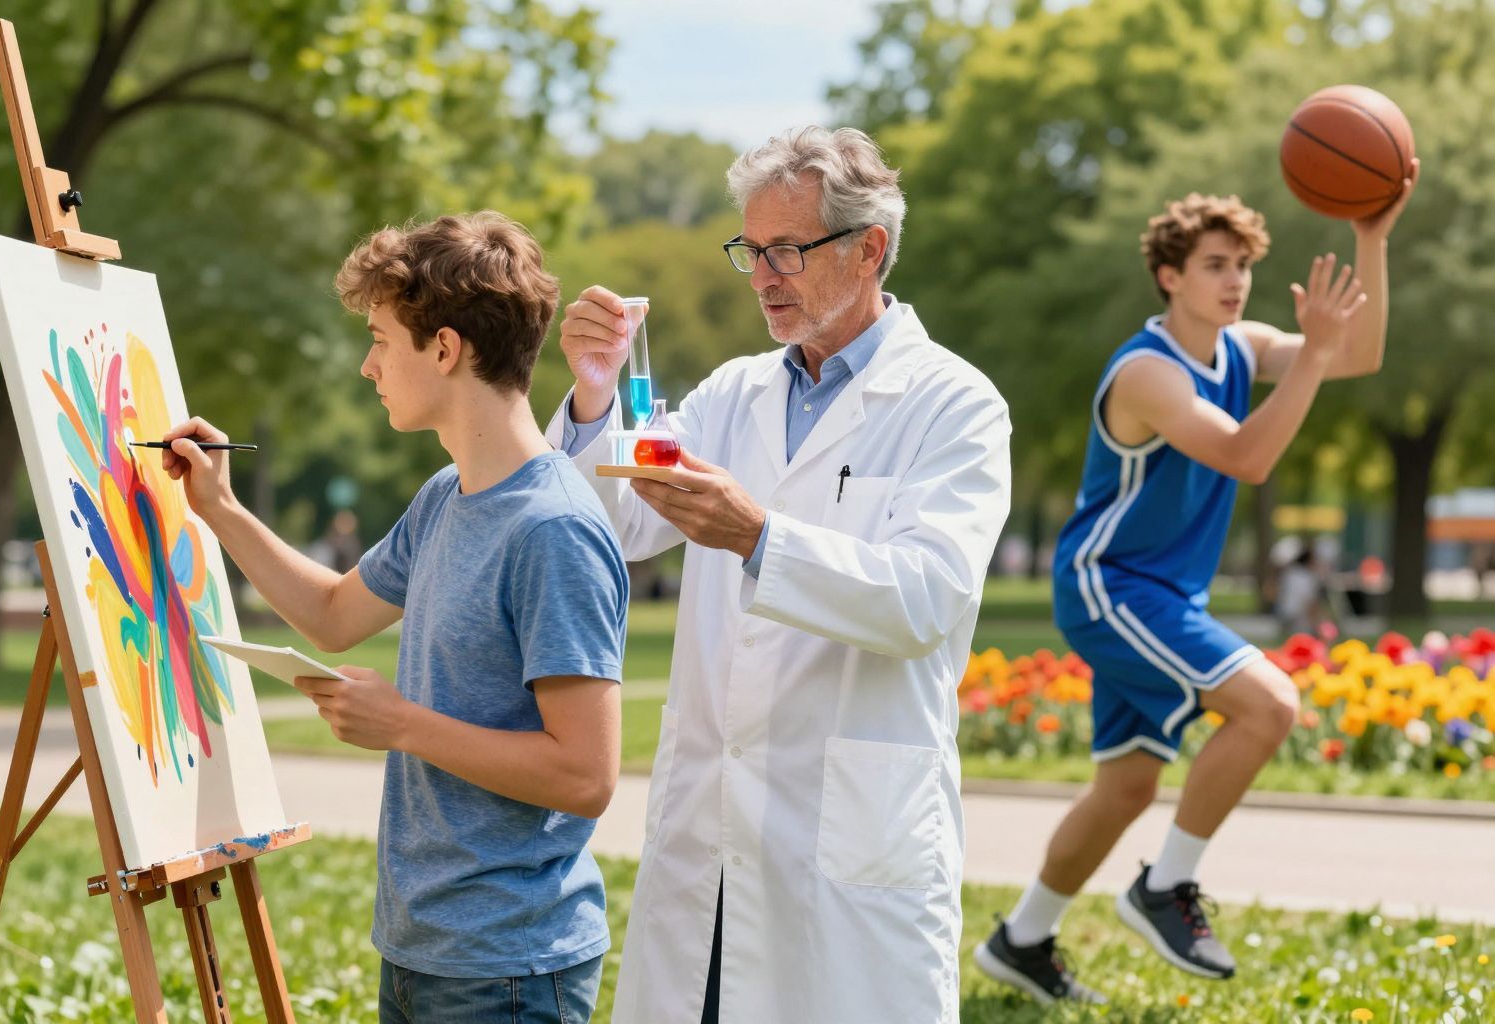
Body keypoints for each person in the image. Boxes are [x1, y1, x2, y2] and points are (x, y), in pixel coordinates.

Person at [549, 126, 1012, 1024]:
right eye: (752, 251)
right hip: (710, 835)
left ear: (869, 248)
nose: (764, 275)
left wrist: (762, 538)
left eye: (789, 250)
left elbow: (928, 598)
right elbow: (621, 518)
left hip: (846, 846)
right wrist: (597, 395)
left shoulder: (954, 405)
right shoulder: (732, 393)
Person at [161, 213, 628, 1023]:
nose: (367, 364)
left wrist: (403, 724)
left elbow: (586, 777)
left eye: (380, 339)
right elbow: (335, 616)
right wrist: (221, 509)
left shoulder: (553, 529)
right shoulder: (445, 497)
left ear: (445, 349)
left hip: (507, 970)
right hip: (422, 949)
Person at [976, 170, 1418, 1004]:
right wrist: (1314, 351)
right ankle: (1164, 887)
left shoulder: (1242, 347)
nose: (1235, 281)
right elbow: (1250, 457)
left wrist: (1373, 233)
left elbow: (1360, 354)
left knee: (1129, 786)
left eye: (1243, 266)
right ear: (1169, 276)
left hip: (1163, 597)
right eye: (1216, 264)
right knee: (1270, 706)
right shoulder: (1150, 372)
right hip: (1111, 586)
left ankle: (1022, 938)